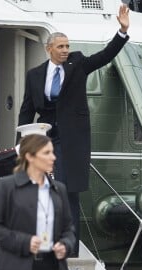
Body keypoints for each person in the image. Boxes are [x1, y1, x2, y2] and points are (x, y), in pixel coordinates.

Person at [17, 4, 130, 256]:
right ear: (49, 49)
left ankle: (69, 249)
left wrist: (121, 32)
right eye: (61, 47)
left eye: (67, 46)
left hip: (71, 139)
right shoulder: (35, 75)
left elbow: (105, 55)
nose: (66, 50)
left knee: (68, 192)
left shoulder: (77, 65)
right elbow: (26, 110)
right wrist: (19, 144)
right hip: (44, 137)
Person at [0, 132, 76, 270]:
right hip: (17, 269)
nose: (53, 157)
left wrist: (66, 245)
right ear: (30, 157)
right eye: (47, 153)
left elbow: (68, 229)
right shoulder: (8, 186)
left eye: (53, 152)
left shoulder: (59, 189)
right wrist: (25, 242)